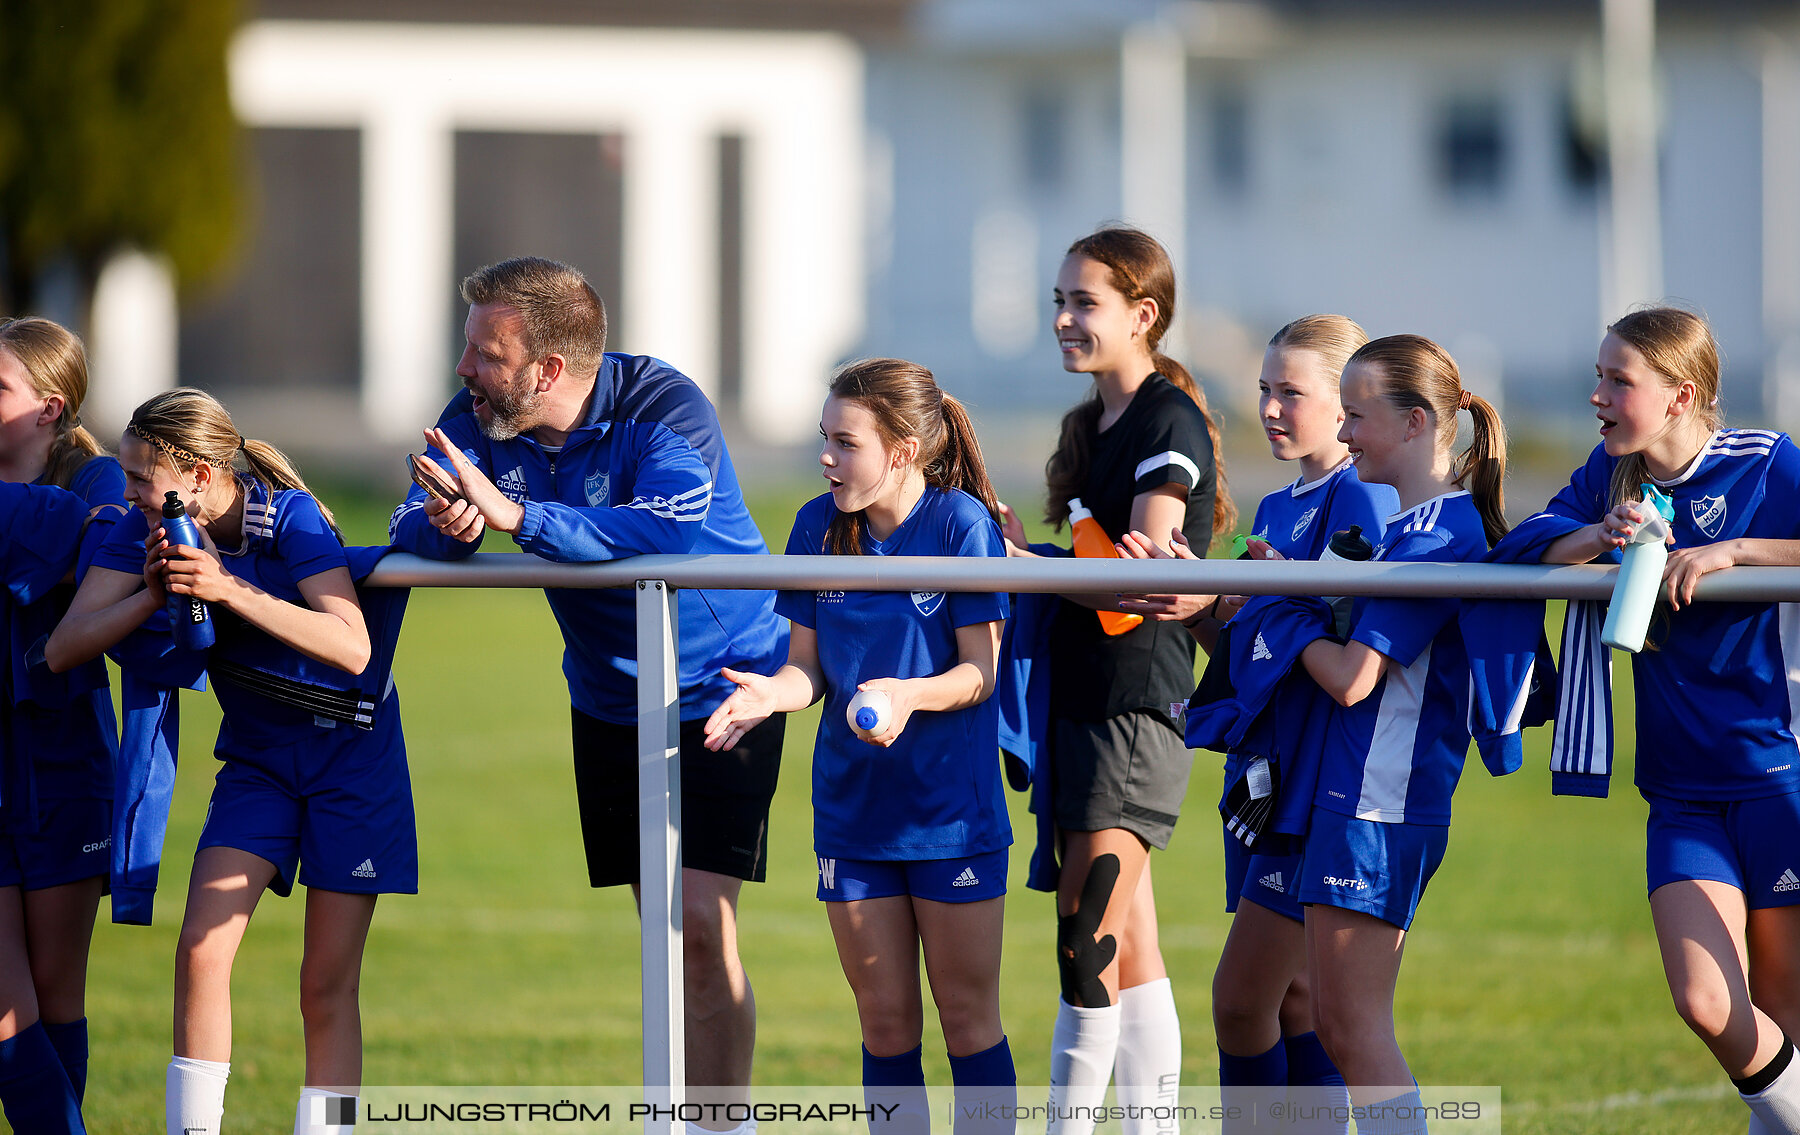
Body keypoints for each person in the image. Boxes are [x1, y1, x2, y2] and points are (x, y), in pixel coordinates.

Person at [390, 256, 787, 1120]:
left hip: (728, 686)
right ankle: (682, 1114)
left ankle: (725, 1123)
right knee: (664, 934)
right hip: (607, 695)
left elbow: (668, 531)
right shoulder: (481, 416)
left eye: (485, 355)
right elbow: (408, 518)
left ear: (549, 370)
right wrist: (446, 523)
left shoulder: (663, 405)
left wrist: (517, 517)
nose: (464, 371)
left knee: (699, 927)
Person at [44, 388, 413, 1135]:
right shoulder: (144, 528)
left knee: (325, 985)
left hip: (352, 753)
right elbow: (64, 647)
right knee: (202, 947)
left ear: (202, 478)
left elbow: (352, 644)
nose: (132, 498)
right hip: (260, 760)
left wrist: (226, 588)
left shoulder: (290, 516)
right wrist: (150, 596)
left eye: (144, 483)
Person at [705, 357, 1014, 1130]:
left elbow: (981, 671)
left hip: (951, 814)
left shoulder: (959, 525)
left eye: (846, 442)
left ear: (903, 450)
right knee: (884, 1025)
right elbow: (806, 669)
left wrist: (907, 694)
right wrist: (769, 695)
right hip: (854, 813)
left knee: (968, 1021)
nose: (827, 458)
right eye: (825, 439)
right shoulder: (819, 523)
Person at [1520, 308, 1800, 1134]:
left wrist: (1734, 552)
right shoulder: (1613, 480)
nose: (1596, 395)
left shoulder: (1765, 462)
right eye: (1599, 376)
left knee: (1782, 1017)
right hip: (1679, 790)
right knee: (1708, 1001)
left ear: (1680, 396)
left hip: (1777, 777)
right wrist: (1593, 537)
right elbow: (1531, 542)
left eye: (1617, 381)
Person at [1124, 315, 1394, 1128]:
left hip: (1326, 785)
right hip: (1270, 778)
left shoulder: (1364, 500)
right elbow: (1260, 652)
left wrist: (1262, 595)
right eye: (1265, 390)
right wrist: (1196, 605)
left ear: (1347, 401)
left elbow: (1358, 657)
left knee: (1241, 1003)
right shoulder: (1277, 505)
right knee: (1292, 1004)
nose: (1272, 408)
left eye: (1293, 393)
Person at [997, 226, 1234, 1131]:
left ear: (1145, 315)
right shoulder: (1088, 423)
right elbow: (1100, 568)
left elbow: (1146, 575)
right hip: (1081, 698)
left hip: (1134, 707)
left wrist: (1036, 567)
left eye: (1083, 302)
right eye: (1058, 300)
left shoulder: (1165, 420)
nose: (1063, 318)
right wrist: (1031, 553)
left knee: (1084, 937)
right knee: (1127, 943)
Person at [1280, 334, 1507, 1134]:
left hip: (1381, 803)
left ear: (1416, 424)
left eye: (1356, 416)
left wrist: (1282, 609)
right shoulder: (1409, 527)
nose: (1342, 435)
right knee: (1338, 1026)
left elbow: (1351, 678)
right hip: (1358, 799)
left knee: (1354, 1031)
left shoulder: (1438, 533)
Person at [0, 317, 122, 1134]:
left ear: (48, 408)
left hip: (64, 764)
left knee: (54, 997)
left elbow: (100, 545)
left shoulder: (101, 479)